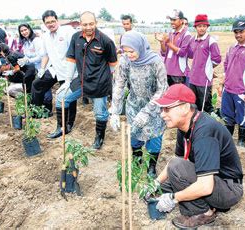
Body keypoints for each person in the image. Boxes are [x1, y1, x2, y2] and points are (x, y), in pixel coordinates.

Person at [149, 84, 243, 228]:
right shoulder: (185, 126)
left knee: (176, 171)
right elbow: (180, 161)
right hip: (212, 180)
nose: (162, 114)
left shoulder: (205, 132)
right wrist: (155, 183)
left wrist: (174, 199)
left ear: (185, 107)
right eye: (162, 109)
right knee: (163, 186)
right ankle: (206, 204)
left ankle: (202, 213)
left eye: (167, 108)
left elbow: (205, 187)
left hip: (228, 188)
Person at [109, 31, 168, 177]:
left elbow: (163, 89)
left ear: (140, 47)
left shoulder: (155, 62)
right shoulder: (124, 61)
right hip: (134, 106)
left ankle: (152, 167)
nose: (129, 55)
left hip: (154, 107)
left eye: (132, 51)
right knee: (134, 136)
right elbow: (119, 85)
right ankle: (137, 160)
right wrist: (115, 111)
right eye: (125, 51)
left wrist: (147, 111)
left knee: (154, 138)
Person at [66, 11, 117, 149]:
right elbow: (71, 59)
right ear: (80, 24)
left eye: (91, 24)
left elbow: (112, 64)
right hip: (81, 80)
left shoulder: (105, 41)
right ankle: (64, 126)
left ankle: (99, 138)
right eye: (85, 24)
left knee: (100, 112)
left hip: (99, 83)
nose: (88, 27)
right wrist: (67, 80)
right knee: (64, 98)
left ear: (96, 23)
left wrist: (104, 77)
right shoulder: (76, 38)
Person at [30, 10, 79, 138]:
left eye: (53, 21)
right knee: (37, 84)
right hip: (55, 69)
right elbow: (45, 55)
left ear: (57, 21)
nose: (51, 24)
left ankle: (67, 125)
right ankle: (38, 110)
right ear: (44, 24)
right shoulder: (45, 36)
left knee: (68, 98)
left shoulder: (67, 32)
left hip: (70, 71)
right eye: (48, 22)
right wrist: (42, 68)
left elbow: (76, 52)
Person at [218, 19, 245, 147]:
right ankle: (228, 141)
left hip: (242, 91)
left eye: (241, 31)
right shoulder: (232, 48)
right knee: (227, 117)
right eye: (236, 32)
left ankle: (241, 142)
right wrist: (221, 84)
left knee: (242, 118)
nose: (238, 35)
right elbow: (226, 68)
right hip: (228, 89)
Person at [187, 14, 221, 112]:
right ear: (195, 27)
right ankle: (194, 126)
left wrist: (207, 69)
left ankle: (207, 126)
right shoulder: (192, 40)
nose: (202, 28)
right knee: (193, 105)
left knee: (205, 107)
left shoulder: (211, 41)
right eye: (199, 26)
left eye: (204, 26)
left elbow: (217, 60)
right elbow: (190, 55)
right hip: (193, 79)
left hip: (204, 80)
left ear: (207, 27)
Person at [17, 23, 53, 114]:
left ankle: (48, 109)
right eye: (22, 31)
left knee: (45, 86)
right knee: (41, 86)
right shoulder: (25, 42)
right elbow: (27, 55)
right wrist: (24, 59)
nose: (24, 32)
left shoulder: (36, 40)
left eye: (25, 30)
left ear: (29, 29)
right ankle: (42, 107)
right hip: (38, 68)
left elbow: (41, 56)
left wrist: (28, 61)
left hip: (45, 67)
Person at [155, 9, 191, 86]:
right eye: (171, 20)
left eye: (174, 20)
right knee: (168, 96)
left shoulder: (186, 35)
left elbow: (182, 53)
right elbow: (164, 53)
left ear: (181, 20)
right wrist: (162, 42)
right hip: (167, 71)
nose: (172, 22)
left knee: (178, 97)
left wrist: (168, 43)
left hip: (178, 74)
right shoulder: (170, 33)